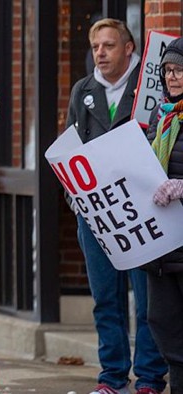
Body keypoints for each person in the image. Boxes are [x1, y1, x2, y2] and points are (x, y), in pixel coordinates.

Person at [64, 18, 167, 394]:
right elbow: (69, 149)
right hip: (96, 215)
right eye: (95, 47)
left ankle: (150, 379)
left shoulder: (148, 90)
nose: (101, 54)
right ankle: (112, 378)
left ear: (129, 49)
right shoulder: (83, 90)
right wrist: (75, 199)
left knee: (146, 301)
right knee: (106, 299)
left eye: (108, 46)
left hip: (141, 214)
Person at [144, 36, 183, 394]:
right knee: (165, 325)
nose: (173, 77)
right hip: (163, 247)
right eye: (168, 70)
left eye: (180, 70)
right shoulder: (163, 117)